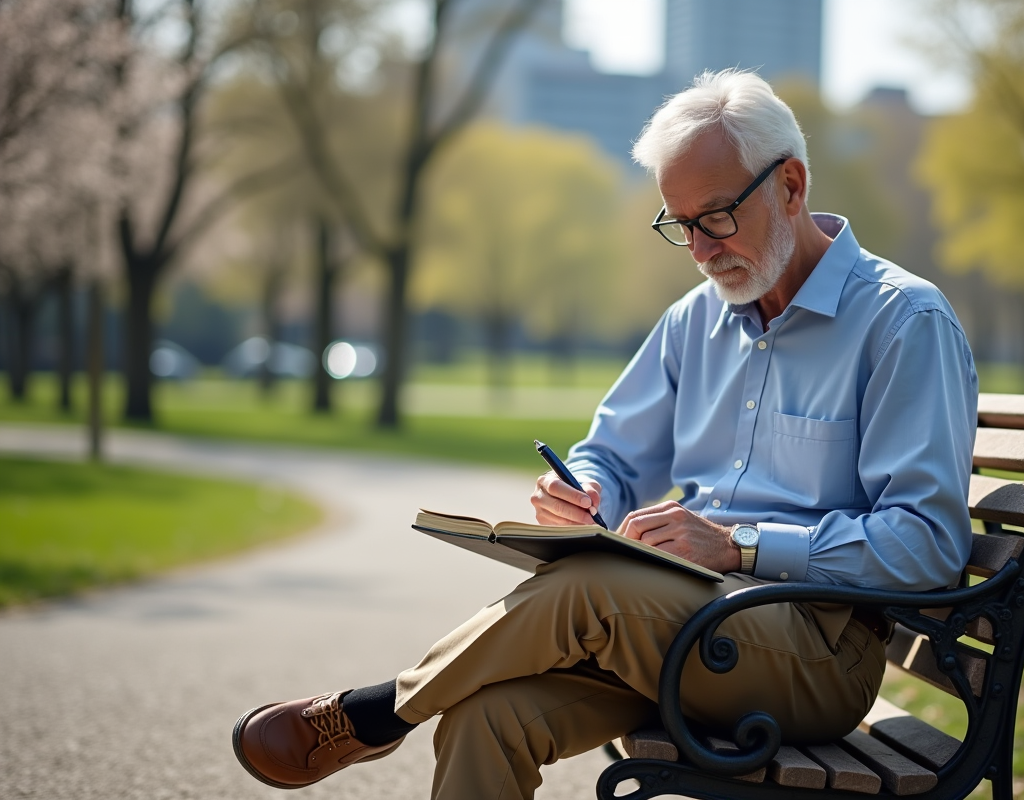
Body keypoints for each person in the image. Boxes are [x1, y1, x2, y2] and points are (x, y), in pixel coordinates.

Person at [231, 69, 978, 799]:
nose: (701, 249)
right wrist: (589, 489)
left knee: (590, 586)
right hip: (677, 630)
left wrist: (741, 545)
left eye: (715, 216)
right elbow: (613, 454)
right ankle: (399, 710)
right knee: (484, 718)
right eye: (680, 225)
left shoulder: (902, 321)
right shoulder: (696, 319)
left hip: (815, 657)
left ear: (790, 186)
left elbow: (927, 546)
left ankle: (374, 713)